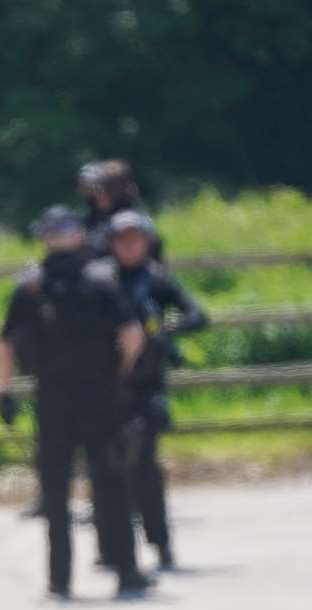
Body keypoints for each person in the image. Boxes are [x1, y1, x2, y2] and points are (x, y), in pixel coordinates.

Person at [0, 208, 150, 599]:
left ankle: (59, 579)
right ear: (79, 237)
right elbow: (132, 334)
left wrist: (5, 392)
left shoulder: (30, 287)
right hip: (100, 396)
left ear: (44, 238)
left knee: (55, 493)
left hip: (52, 399)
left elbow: (6, 344)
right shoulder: (101, 281)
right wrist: (120, 372)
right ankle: (126, 569)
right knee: (111, 483)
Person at [107, 209, 209, 569]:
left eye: (136, 239)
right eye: (122, 239)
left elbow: (198, 315)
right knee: (107, 468)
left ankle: (160, 542)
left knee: (146, 467)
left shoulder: (157, 281)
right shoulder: (104, 281)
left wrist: (168, 328)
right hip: (109, 387)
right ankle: (113, 549)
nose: (129, 246)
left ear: (148, 242)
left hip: (147, 386)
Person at [81, 160, 164, 261]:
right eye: (97, 189)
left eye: (106, 189)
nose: (99, 195)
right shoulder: (90, 220)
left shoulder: (138, 221)